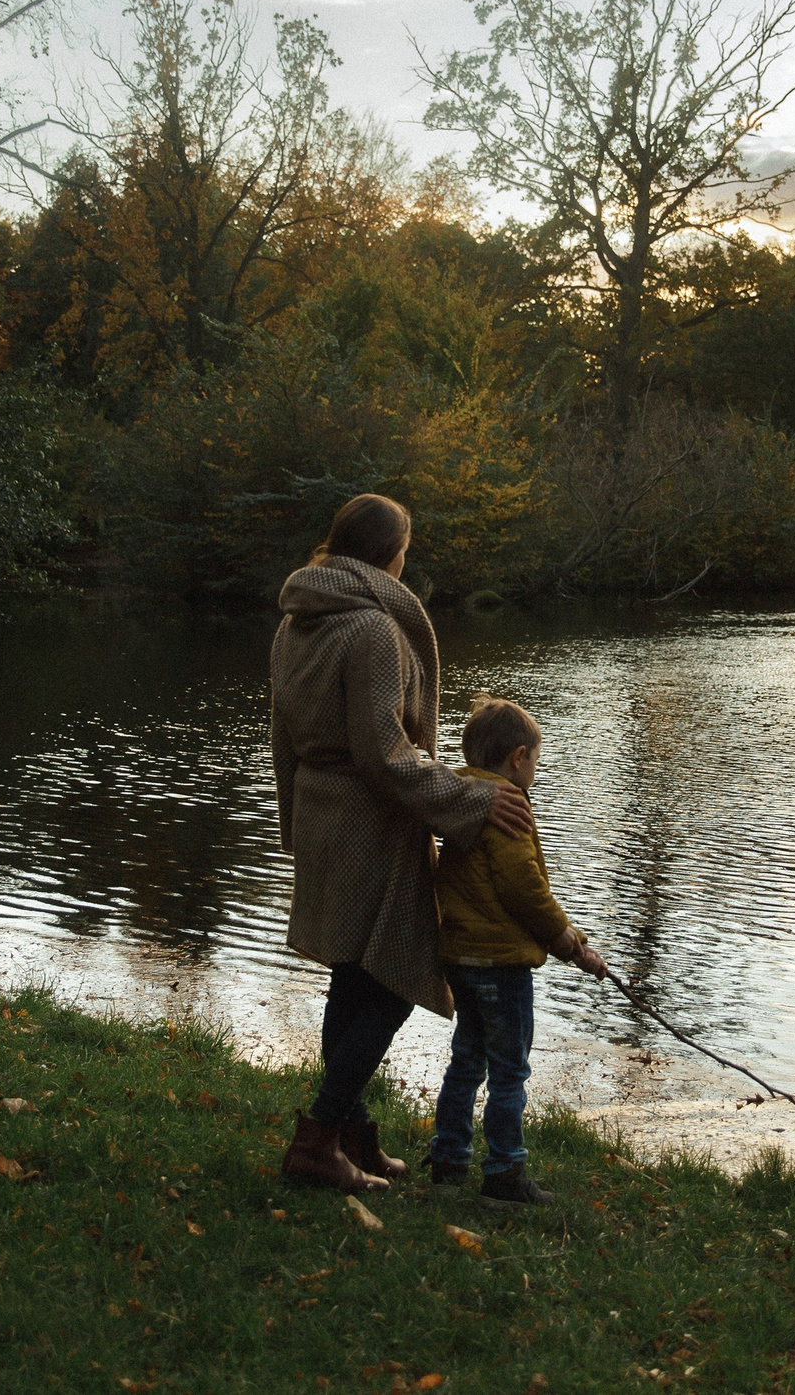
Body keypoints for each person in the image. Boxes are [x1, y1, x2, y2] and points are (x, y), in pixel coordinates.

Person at [270, 493, 534, 1194]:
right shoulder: (373, 631)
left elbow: (281, 739)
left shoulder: (296, 622)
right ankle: (319, 1137)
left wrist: (293, 823)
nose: (406, 561)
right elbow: (387, 755)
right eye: (406, 548)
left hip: (325, 819)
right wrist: (474, 796)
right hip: (370, 825)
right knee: (392, 980)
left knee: (351, 973)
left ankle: (351, 1134)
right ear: (390, 553)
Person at [426, 694, 608, 1209]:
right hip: (501, 963)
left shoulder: (458, 796)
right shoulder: (507, 805)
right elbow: (523, 889)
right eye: (536, 762)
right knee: (509, 1070)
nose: (534, 773)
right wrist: (571, 943)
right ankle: (504, 1170)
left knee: (466, 1062)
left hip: (460, 957)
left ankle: (448, 1161)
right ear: (518, 757)